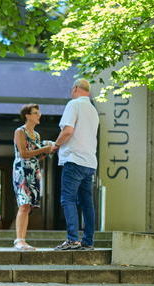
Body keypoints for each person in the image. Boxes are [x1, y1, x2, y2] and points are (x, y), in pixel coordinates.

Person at [51, 78, 99, 250]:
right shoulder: (93, 110)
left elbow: (68, 131)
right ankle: (88, 242)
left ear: (76, 89)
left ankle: (72, 239)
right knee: (87, 203)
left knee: (68, 199)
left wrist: (55, 145)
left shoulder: (74, 104)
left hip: (74, 159)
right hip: (90, 162)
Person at [12, 104, 53, 250]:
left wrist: (46, 152)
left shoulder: (36, 135)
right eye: (35, 113)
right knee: (23, 204)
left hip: (34, 171)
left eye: (38, 112)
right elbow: (23, 154)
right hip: (22, 171)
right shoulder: (20, 131)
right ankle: (19, 240)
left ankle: (22, 240)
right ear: (27, 116)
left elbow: (36, 157)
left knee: (28, 206)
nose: (39, 115)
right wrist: (44, 149)